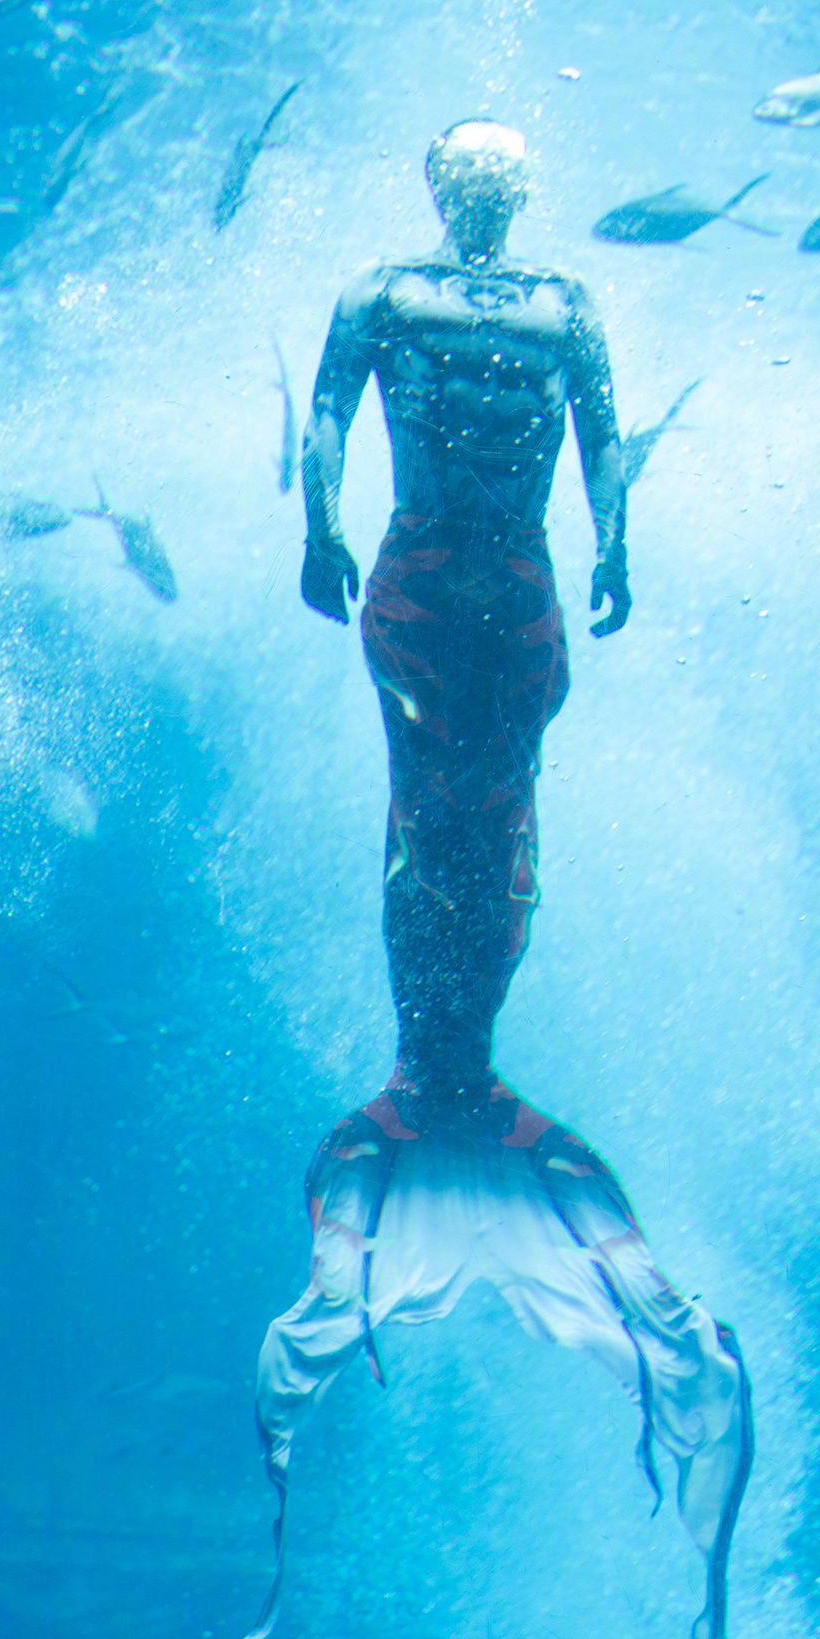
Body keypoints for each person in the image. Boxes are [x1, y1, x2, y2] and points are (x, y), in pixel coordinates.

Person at [232, 124, 753, 1639]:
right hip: (491, 574)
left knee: (456, 820)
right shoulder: (533, 303)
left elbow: (379, 426)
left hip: (452, 567)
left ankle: (437, 1094)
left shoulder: (405, 291)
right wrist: (610, 545)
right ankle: (449, 1095)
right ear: (493, 191)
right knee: (475, 820)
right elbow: (579, 439)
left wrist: (325, 526)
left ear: (460, 190)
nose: (482, 195)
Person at [299, 118, 628, 1108]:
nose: (487, 182)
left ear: (522, 189)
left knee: (501, 816)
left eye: (503, 168)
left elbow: (602, 433)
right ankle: (423, 1055)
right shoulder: (382, 289)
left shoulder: (565, 300)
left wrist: (615, 542)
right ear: (437, 182)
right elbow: (327, 411)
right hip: (424, 566)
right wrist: (319, 529)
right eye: (472, 166)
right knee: (427, 809)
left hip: (514, 572)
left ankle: (463, 1053)